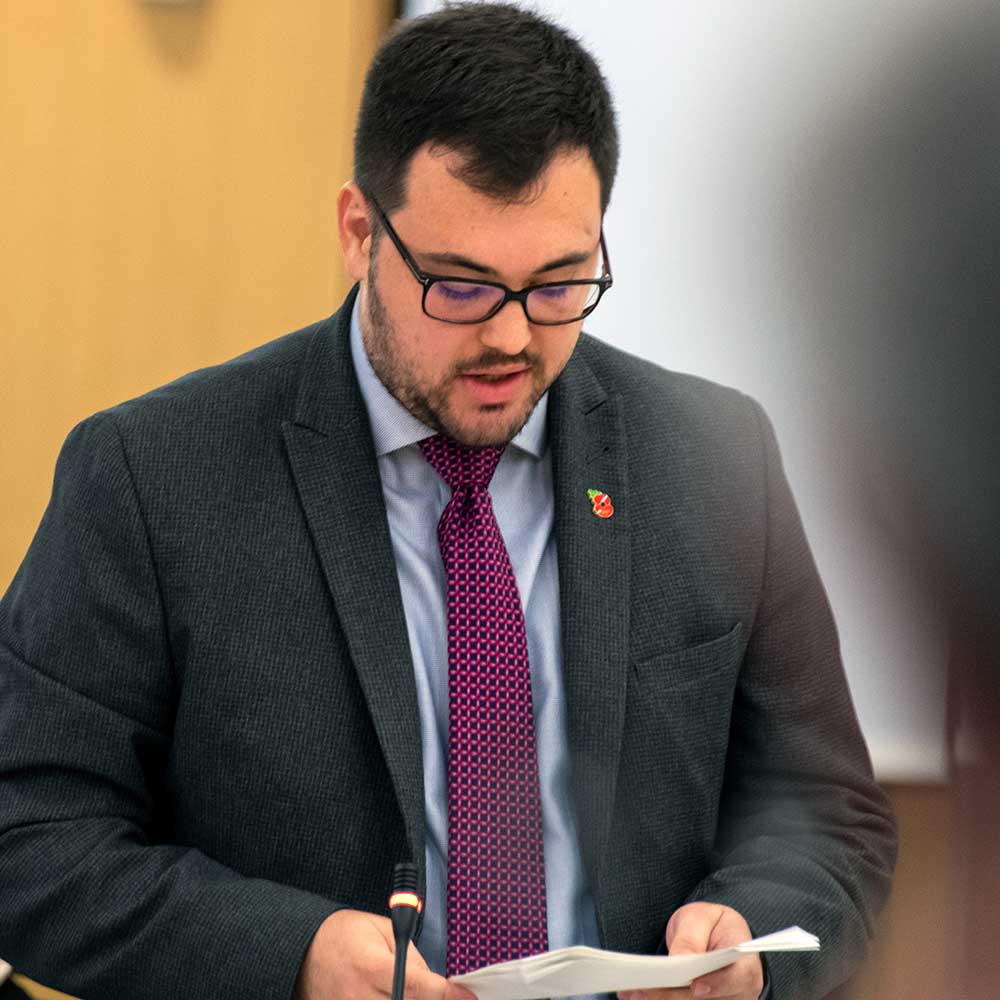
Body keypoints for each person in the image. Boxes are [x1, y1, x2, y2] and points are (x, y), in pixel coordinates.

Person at [0, 4, 894, 999]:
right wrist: (290, 956)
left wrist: (747, 940)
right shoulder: (154, 476)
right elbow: (29, 837)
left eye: (558, 283)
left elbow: (825, 811)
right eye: (460, 287)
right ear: (359, 234)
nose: (510, 338)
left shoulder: (714, 458)